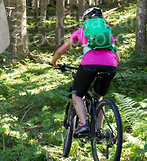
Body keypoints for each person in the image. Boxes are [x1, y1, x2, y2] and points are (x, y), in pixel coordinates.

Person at [49, 7, 120, 137]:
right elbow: (118, 58)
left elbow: (60, 51)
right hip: (110, 65)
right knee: (99, 96)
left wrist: (53, 62)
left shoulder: (81, 32)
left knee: (76, 94)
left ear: (85, 20)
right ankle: (99, 130)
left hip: (89, 65)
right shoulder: (107, 33)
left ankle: (83, 124)